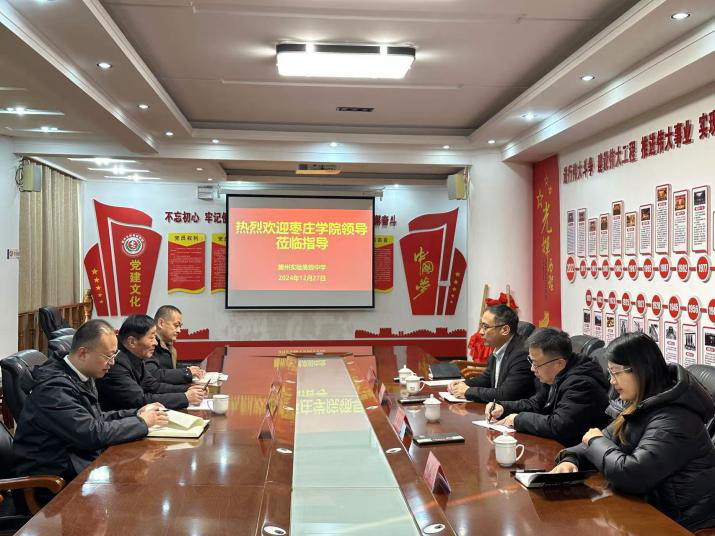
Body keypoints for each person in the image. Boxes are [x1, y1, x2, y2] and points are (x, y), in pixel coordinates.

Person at [551, 332, 715, 532]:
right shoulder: (640, 403)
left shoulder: (675, 418)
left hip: (681, 523)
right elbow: (602, 440)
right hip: (645, 508)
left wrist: (595, 442)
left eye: (615, 373)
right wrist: (571, 459)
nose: (611, 381)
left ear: (639, 370)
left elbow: (632, 475)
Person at [13, 319, 169, 482]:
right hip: (54, 479)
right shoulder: (54, 388)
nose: (112, 362)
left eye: (114, 355)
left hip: (78, 464)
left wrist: (136, 414)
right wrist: (141, 423)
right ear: (83, 353)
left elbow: (96, 418)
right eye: (108, 356)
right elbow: (90, 434)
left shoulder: (80, 374)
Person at [485, 327, 610, 446]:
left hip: (576, 453)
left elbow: (559, 426)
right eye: (531, 361)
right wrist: (504, 408)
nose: (532, 369)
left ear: (559, 363)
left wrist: (517, 420)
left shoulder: (582, 384)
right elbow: (536, 404)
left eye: (536, 364)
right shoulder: (553, 374)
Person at [96, 314, 207, 411]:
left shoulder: (135, 356)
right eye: (151, 337)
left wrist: (188, 389)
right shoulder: (115, 363)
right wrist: (185, 397)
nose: (156, 343)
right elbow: (139, 400)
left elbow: (153, 386)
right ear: (132, 342)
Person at [448, 305, 535, 402]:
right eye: (481, 326)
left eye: (485, 327)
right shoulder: (499, 348)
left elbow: (506, 395)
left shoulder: (522, 354)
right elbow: (487, 378)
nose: (480, 332)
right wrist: (463, 384)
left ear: (505, 330)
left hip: (514, 410)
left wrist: (468, 391)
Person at [146, 305, 205, 384]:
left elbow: (171, 369)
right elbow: (154, 375)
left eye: (180, 326)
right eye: (176, 325)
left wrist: (190, 369)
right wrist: (186, 373)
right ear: (161, 323)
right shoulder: (149, 345)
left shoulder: (168, 345)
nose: (179, 330)